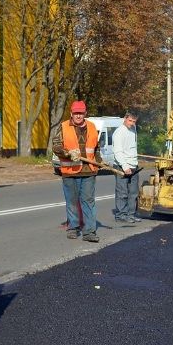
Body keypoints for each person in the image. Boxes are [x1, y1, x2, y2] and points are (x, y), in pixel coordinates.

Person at [51, 100, 100, 242]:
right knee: (72, 201)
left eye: (81, 113)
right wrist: (67, 153)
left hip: (89, 171)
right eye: (76, 113)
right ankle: (73, 228)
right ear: (71, 114)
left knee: (88, 201)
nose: (78, 116)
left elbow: (96, 147)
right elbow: (56, 146)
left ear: (85, 113)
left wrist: (99, 160)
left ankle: (89, 232)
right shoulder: (63, 127)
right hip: (70, 171)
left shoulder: (92, 126)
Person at [112, 111, 140, 225]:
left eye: (134, 121)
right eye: (130, 121)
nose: (131, 123)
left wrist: (134, 164)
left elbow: (132, 148)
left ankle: (131, 214)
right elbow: (118, 151)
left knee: (133, 192)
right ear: (125, 118)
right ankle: (121, 215)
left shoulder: (133, 129)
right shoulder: (119, 132)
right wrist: (125, 166)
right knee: (122, 192)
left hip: (133, 165)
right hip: (122, 165)